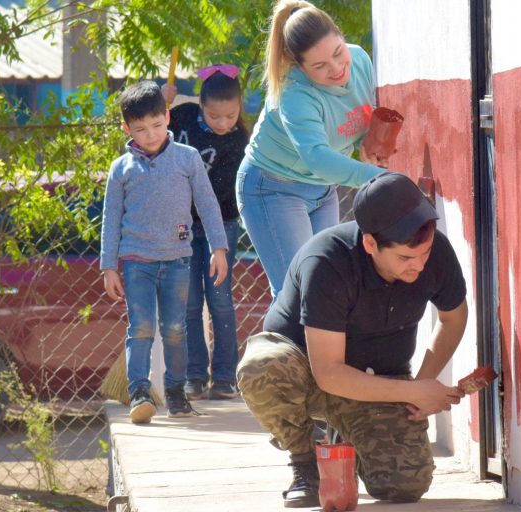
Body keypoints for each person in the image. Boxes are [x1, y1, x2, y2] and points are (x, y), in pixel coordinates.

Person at [237, 172, 469, 508]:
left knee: (404, 485)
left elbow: (453, 317)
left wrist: (423, 384)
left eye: (425, 253)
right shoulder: (327, 262)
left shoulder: (434, 253)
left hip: (378, 380)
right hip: (308, 378)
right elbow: (329, 374)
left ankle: (348, 440)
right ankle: (305, 463)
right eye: (405, 258)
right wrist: (412, 391)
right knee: (262, 368)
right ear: (371, 243)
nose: (418, 265)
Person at [236, 0, 390, 300]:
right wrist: (373, 177)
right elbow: (317, 157)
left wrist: (366, 146)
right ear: (299, 66)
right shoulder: (294, 93)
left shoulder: (359, 60)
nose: (336, 69)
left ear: (342, 37)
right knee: (297, 292)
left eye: (338, 52)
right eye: (319, 66)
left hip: (321, 190)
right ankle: (284, 349)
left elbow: (355, 116)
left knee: (329, 285)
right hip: (272, 187)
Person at [100, 80, 229, 424]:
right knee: (140, 327)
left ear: (167, 117)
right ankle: (140, 391)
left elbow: (207, 203)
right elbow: (111, 219)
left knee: (175, 328)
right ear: (126, 128)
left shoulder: (187, 159)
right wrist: (108, 266)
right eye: (140, 129)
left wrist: (219, 247)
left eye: (156, 125)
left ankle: (175, 390)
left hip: (177, 260)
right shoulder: (121, 169)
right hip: (136, 262)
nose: (151, 134)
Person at [163, 66, 249, 400]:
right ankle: (195, 375)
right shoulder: (181, 117)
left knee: (220, 301)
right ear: (199, 104)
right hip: (182, 226)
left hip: (220, 228)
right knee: (189, 303)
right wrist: (162, 100)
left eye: (231, 115)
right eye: (215, 115)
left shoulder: (240, 141)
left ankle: (225, 376)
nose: (223, 123)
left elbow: (224, 196)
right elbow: (150, 125)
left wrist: (219, 244)